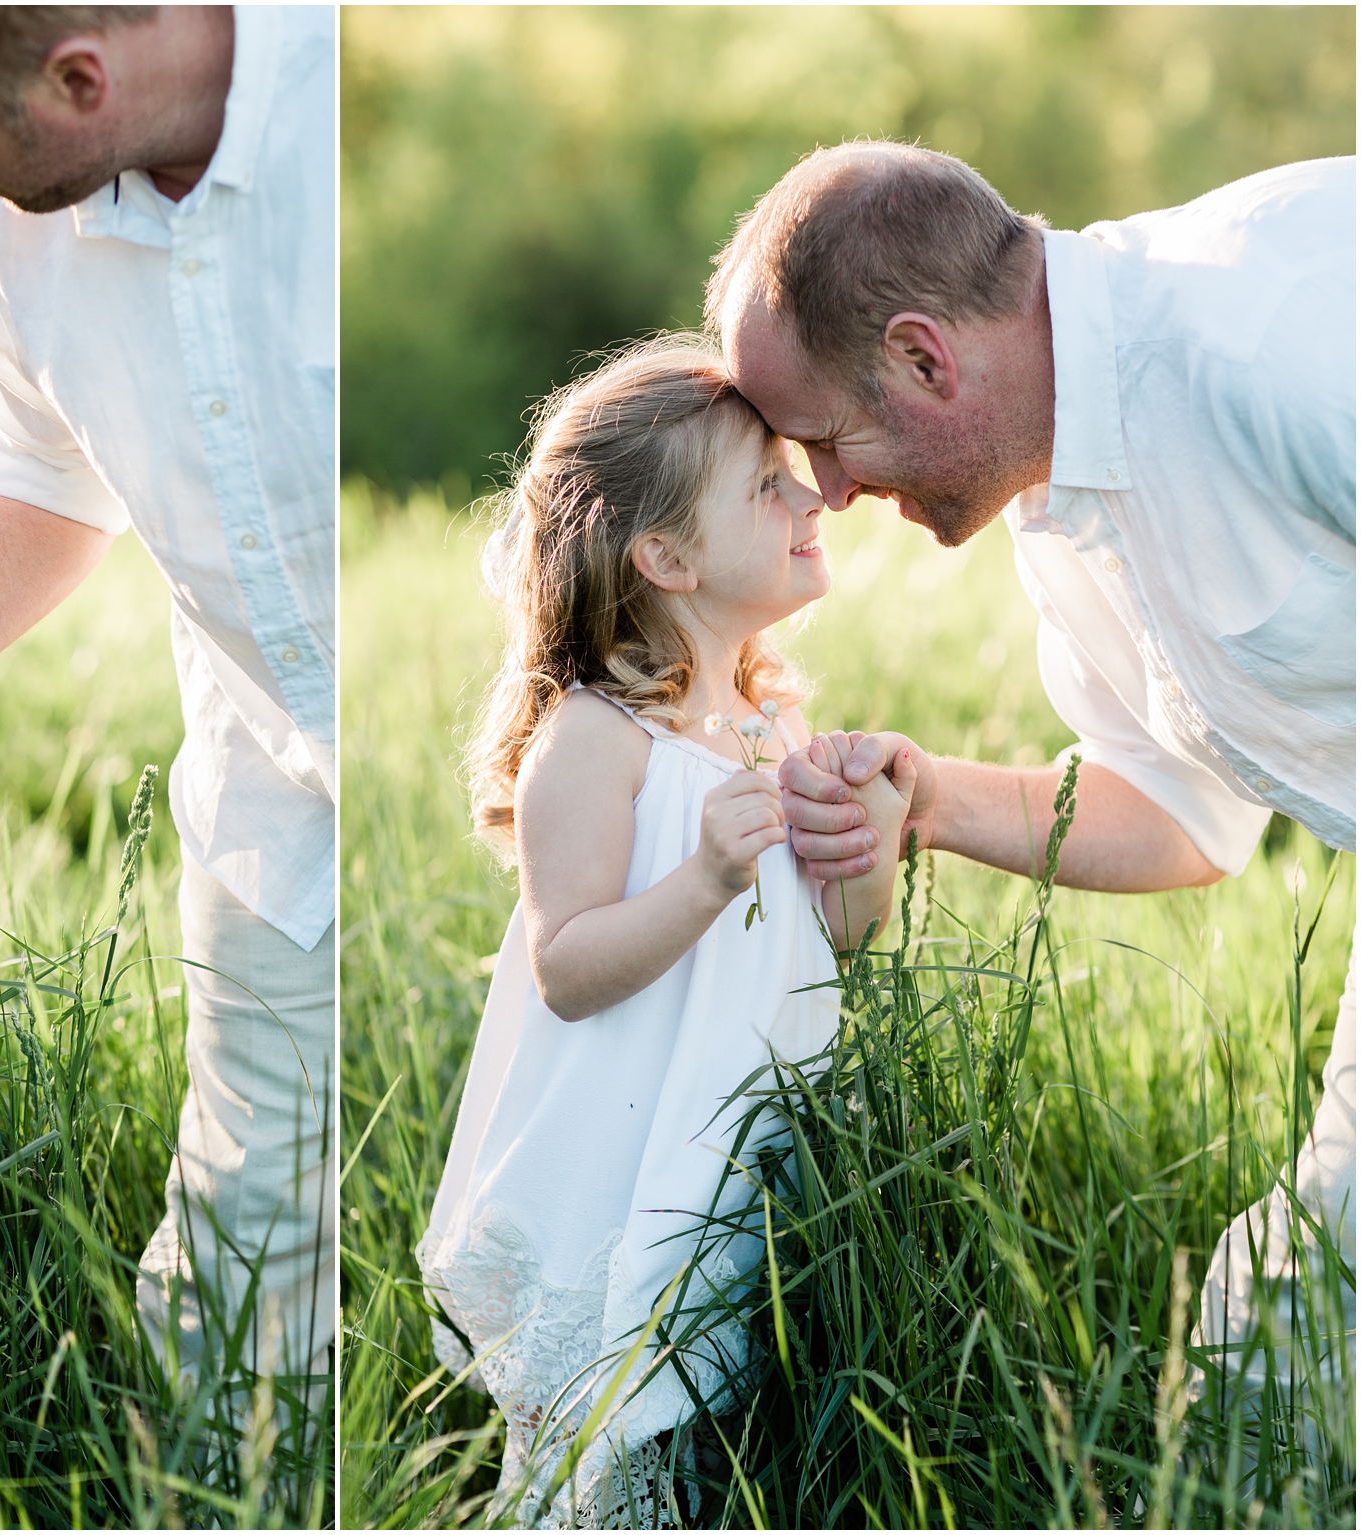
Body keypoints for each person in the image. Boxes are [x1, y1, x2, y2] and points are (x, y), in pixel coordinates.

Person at [710, 143, 1354, 1432]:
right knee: (1284, 1339)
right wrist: (925, 797)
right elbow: (1178, 807)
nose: (826, 496)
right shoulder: (1058, 510)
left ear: (923, 358)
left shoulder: (1279, 338)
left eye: (824, 444)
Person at [0, 6, 336, 1395]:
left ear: (79, 83)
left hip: (459, 777)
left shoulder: (342, 109)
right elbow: (46, 471)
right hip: (263, 796)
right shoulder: (5, 235)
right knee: (243, 1243)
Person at [417, 336, 915, 1527]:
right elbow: (566, 964)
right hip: (615, 1146)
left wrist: (874, 836)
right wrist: (701, 875)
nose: (809, 495)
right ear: (665, 555)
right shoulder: (598, 739)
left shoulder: (768, 719)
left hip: (730, 1139)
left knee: (714, 1419)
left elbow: (832, 938)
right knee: (594, 1445)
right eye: (765, 483)